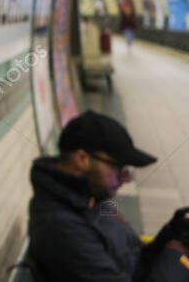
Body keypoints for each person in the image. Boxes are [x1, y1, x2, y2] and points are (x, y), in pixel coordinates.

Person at [28, 110, 189, 280]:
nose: (126, 178)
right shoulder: (62, 229)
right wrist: (176, 254)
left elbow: (135, 258)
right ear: (82, 159)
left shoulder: (90, 198)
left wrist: (174, 230)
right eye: (118, 167)